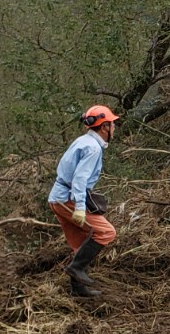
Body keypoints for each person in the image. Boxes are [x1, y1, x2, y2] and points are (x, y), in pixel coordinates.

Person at [48, 104, 120, 297]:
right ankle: (76, 268)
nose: (114, 127)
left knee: (80, 242)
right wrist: (80, 207)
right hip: (66, 199)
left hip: (58, 197)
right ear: (104, 127)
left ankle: (77, 289)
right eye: (112, 124)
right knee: (106, 232)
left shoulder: (83, 141)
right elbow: (79, 179)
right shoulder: (93, 148)